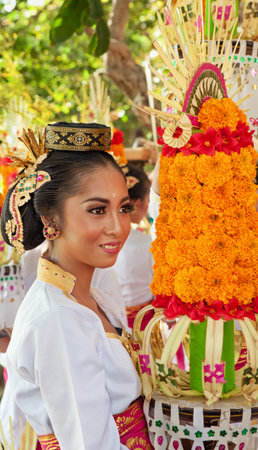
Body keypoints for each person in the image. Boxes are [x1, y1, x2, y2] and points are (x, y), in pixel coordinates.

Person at [0, 123, 152, 450]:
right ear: (51, 219)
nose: (118, 227)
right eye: (97, 210)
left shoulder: (86, 296)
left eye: (123, 208)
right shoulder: (58, 319)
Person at [113, 165, 153, 329]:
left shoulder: (99, 241)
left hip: (111, 322)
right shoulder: (147, 243)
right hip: (145, 324)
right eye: (148, 200)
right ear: (136, 203)